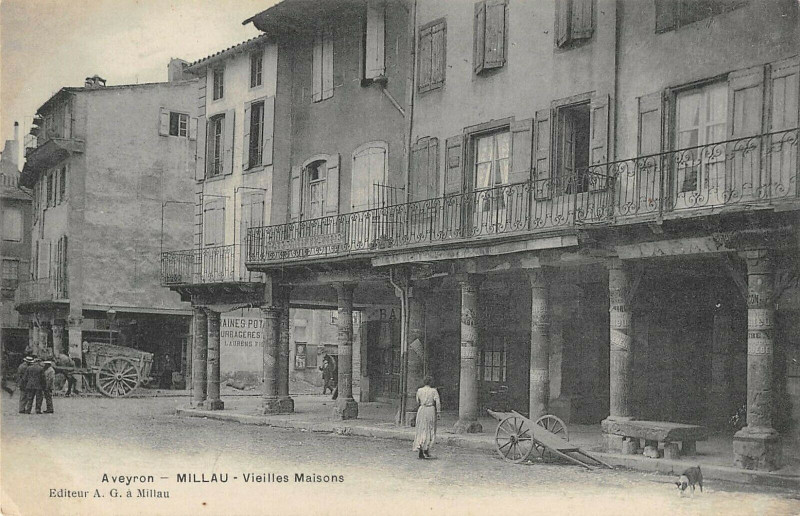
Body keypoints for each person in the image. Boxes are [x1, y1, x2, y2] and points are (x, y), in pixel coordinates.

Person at [412, 376, 441, 459]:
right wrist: (438, 412)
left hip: (422, 409)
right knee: (430, 429)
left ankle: (422, 449)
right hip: (430, 410)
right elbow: (438, 402)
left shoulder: (419, 390)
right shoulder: (434, 391)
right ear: (431, 382)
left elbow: (417, 401)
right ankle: (425, 449)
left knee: (421, 429)